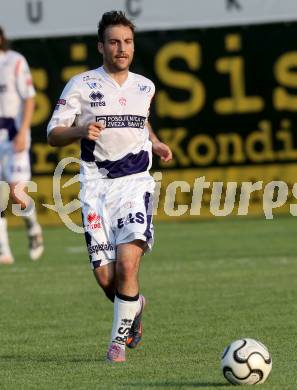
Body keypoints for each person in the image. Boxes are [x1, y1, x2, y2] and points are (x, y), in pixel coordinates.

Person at [47, 10, 172, 362]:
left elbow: (140, 122)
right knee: (107, 279)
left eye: (128, 42)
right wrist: (78, 130)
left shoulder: (145, 86)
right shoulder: (81, 85)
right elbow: (52, 134)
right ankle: (135, 305)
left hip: (135, 185)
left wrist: (156, 142)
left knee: (128, 266)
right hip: (95, 187)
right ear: (101, 46)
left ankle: (116, 345)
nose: (122, 48)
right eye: (115, 42)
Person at [0, 26, 44, 264]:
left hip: (13, 136)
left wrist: (23, 131)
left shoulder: (14, 61)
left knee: (17, 193)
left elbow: (29, 97)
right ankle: (3, 250)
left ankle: (33, 227)